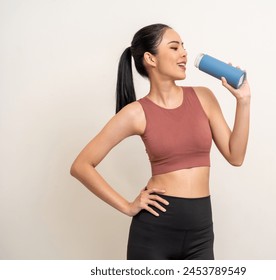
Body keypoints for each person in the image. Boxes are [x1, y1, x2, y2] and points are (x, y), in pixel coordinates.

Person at [70, 23, 251, 260]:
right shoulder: (135, 113)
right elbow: (81, 165)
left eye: (183, 47)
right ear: (150, 59)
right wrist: (127, 206)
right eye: (174, 47)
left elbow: (235, 156)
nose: (184, 53)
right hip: (155, 231)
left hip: (201, 232)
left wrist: (243, 101)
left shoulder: (204, 97)